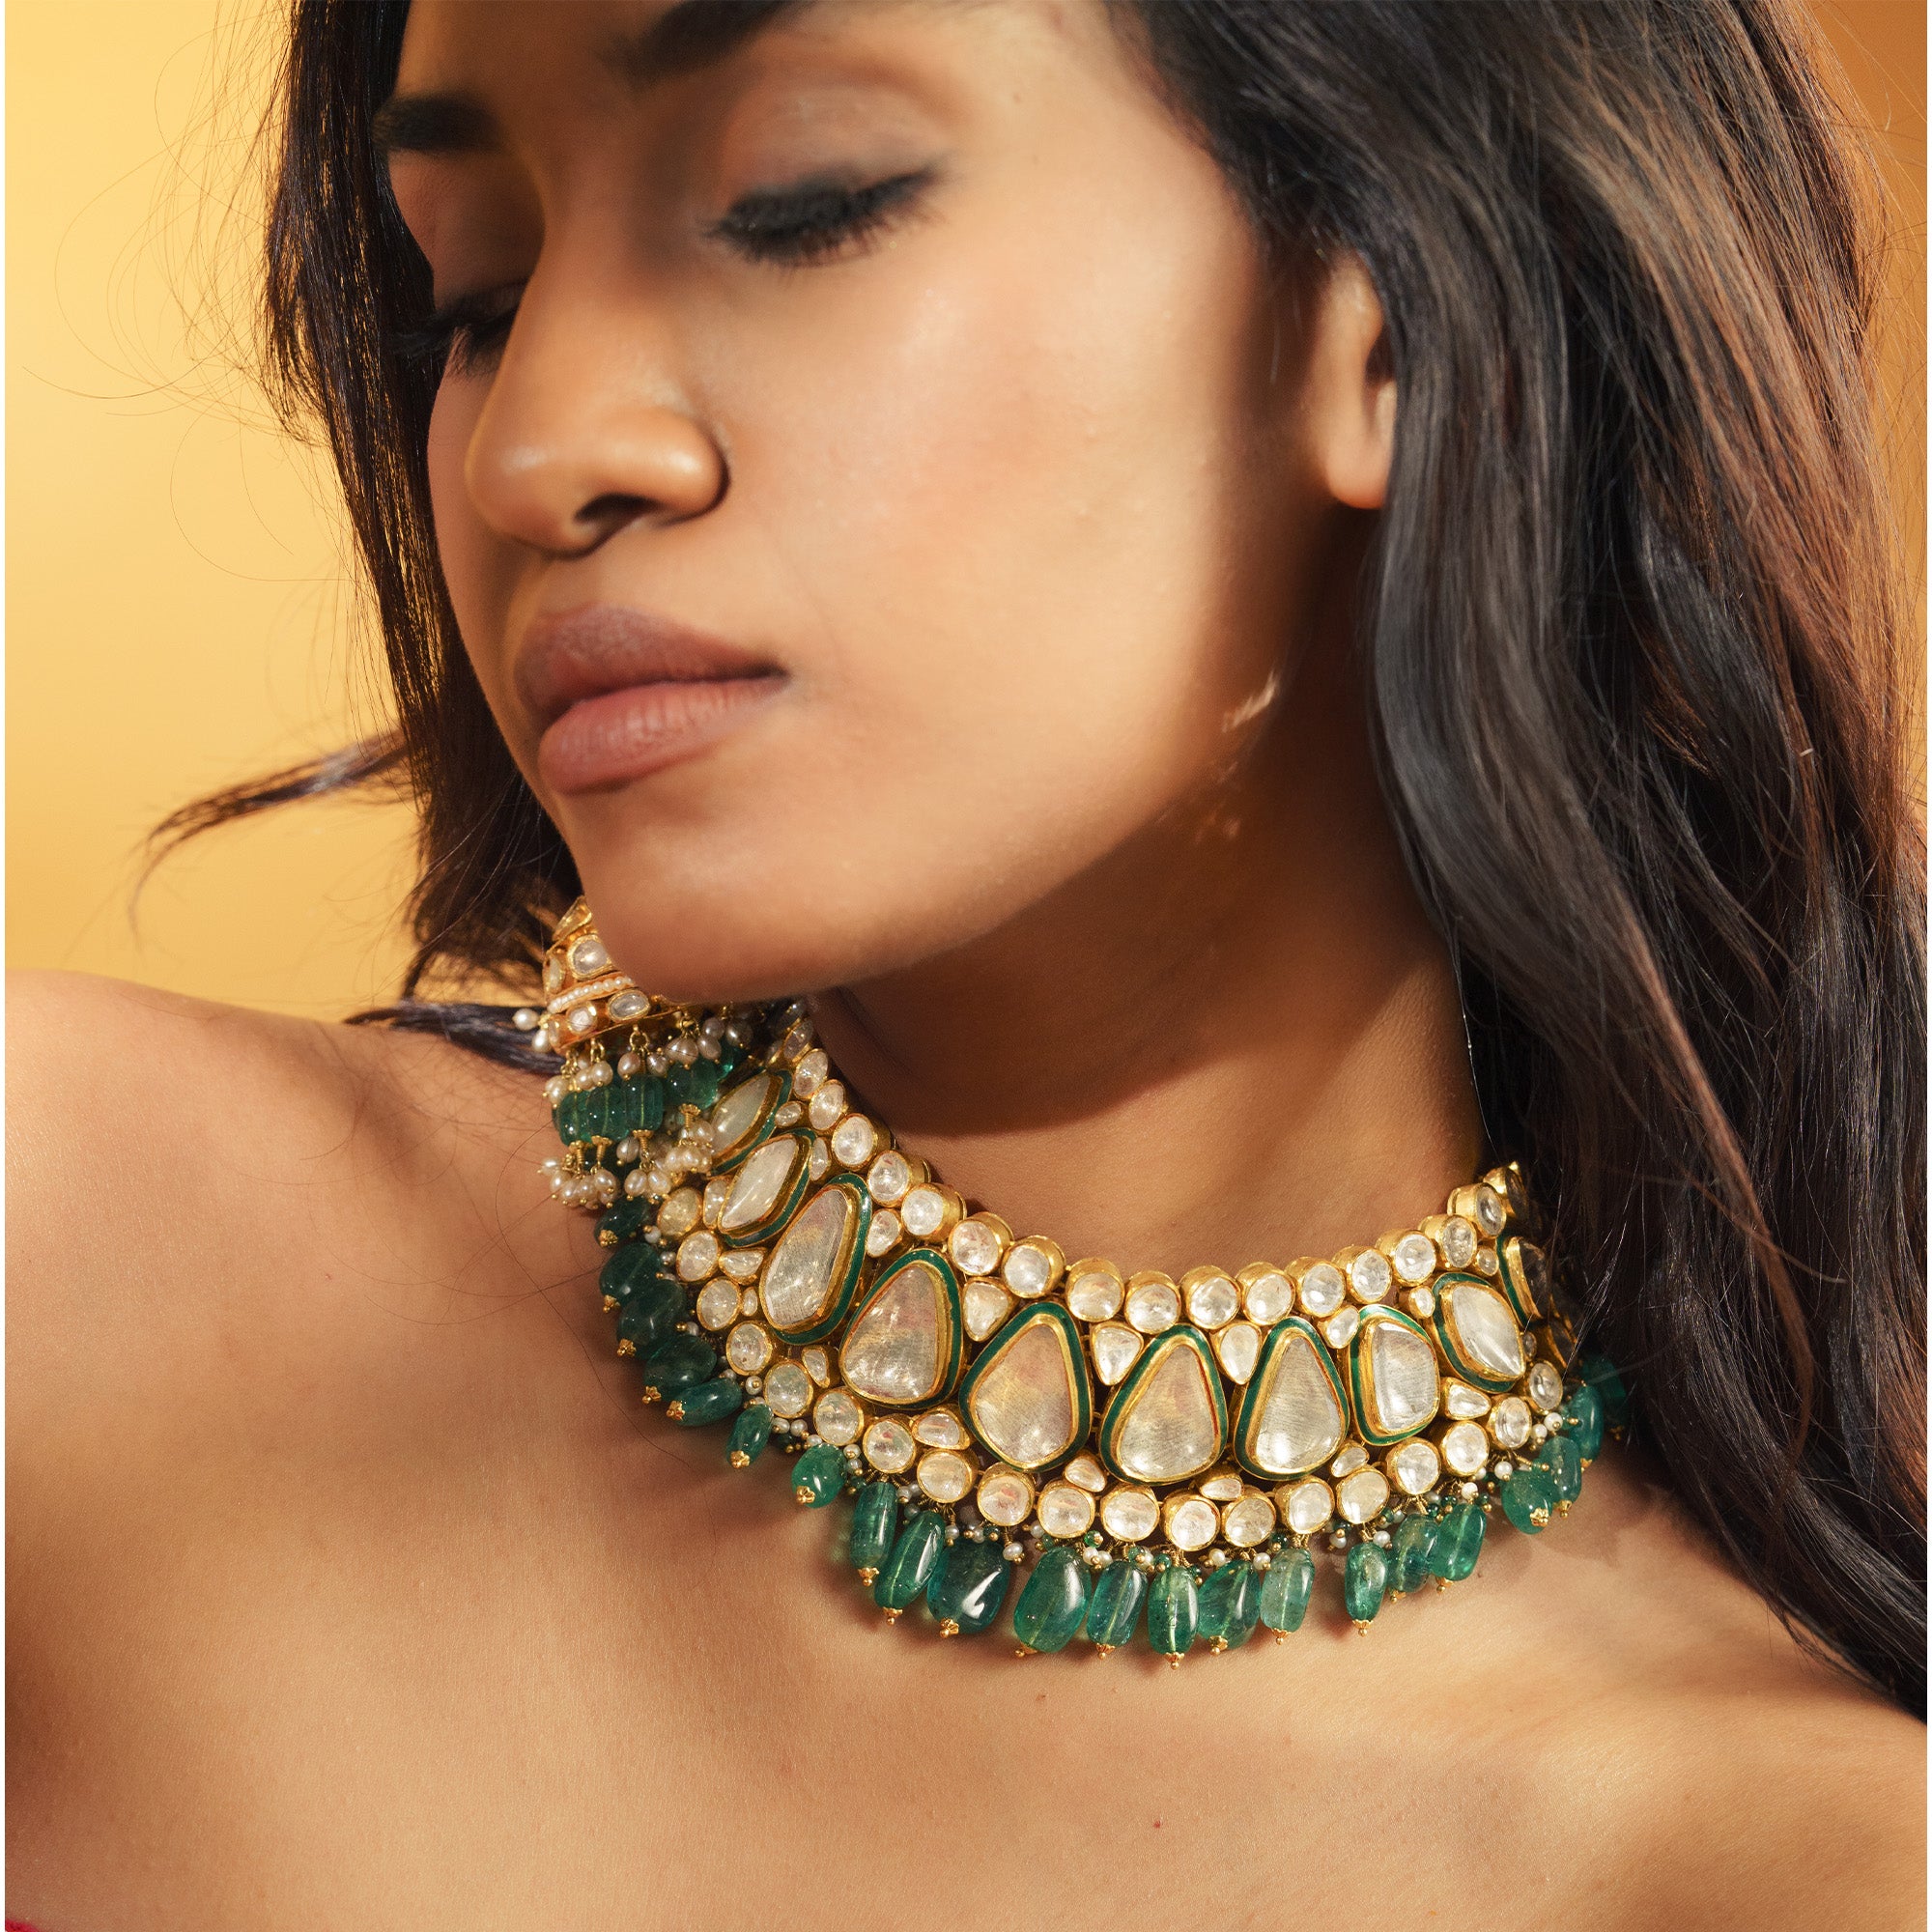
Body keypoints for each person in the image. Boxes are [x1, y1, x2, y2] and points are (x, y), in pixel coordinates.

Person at [9, 2, 1923, 1925]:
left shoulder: (1780, 1860)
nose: (536, 451)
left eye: (801, 204)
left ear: (1399, 318)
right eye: (473, 293)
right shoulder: (81, 1285)